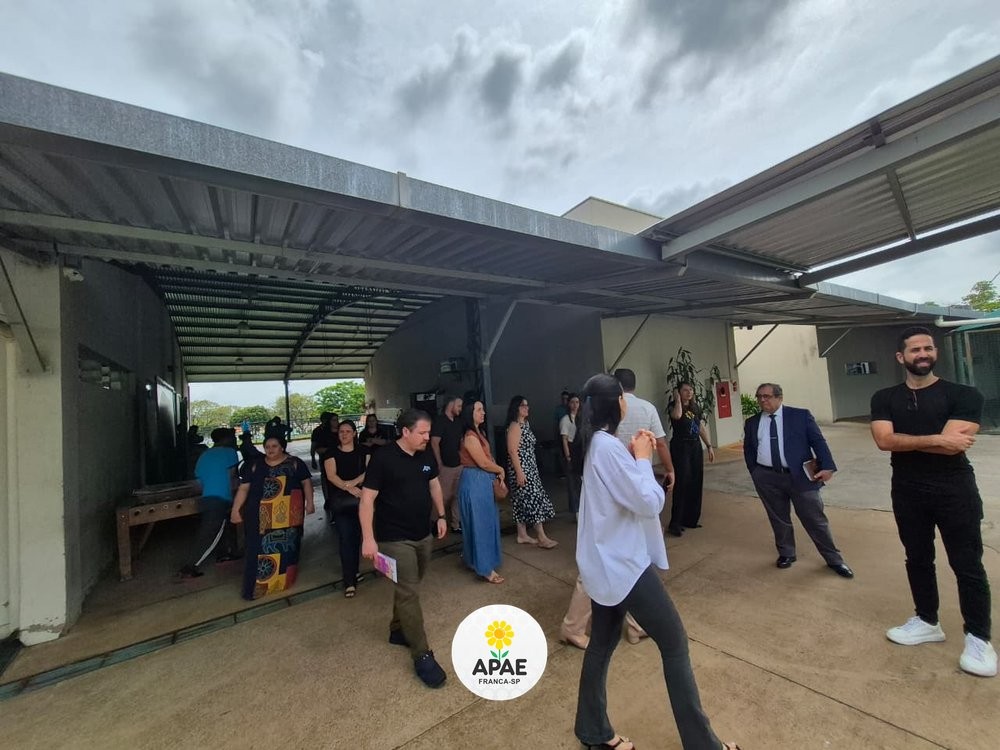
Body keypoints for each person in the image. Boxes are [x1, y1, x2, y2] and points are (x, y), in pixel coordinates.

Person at [573, 373, 738, 750]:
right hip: (625, 566)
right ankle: (703, 745)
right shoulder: (607, 448)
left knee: (601, 646)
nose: (626, 403)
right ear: (616, 404)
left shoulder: (596, 444)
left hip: (607, 565)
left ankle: (593, 732)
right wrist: (644, 460)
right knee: (675, 644)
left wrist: (635, 456)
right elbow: (648, 502)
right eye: (622, 397)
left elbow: (621, 493)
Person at [871, 326, 995, 677]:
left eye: (928, 348)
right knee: (918, 558)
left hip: (954, 488)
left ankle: (978, 638)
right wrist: (938, 439)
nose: (923, 354)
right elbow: (884, 441)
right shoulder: (885, 397)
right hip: (907, 489)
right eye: (915, 350)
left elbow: (953, 446)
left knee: (967, 564)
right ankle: (927, 621)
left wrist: (906, 440)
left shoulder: (964, 394)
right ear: (901, 357)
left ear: (935, 352)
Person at [360, 409, 449, 689]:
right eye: (422, 433)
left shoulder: (425, 455)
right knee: (409, 591)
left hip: (423, 534)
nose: (427, 437)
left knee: (409, 585)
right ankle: (422, 655)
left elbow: (434, 486)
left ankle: (398, 629)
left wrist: (441, 515)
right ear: (405, 432)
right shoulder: (383, 458)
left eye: (428, 432)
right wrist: (368, 538)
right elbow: (367, 500)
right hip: (393, 538)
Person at [742, 383, 854, 578]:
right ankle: (786, 553)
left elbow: (818, 441)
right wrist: (755, 471)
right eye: (759, 396)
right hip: (767, 477)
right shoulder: (752, 422)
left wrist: (827, 466)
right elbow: (749, 449)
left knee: (814, 518)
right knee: (778, 518)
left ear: (779, 397)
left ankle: (834, 559)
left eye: (767, 396)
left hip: (800, 476)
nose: (762, 400)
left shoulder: (800, 416)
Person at [230, 435, 314, 600]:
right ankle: (254, 589)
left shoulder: (295, 463)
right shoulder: (255, 465)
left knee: (287, 549)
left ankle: (281, 583)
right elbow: (244, 489)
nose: (270, 449)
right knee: (256, 549)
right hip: (258, 516)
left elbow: (306, 483)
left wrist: (310, 503)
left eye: (274, 446)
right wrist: (235, 510)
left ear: (282, 447)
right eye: (267, 446)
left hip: (288, 517)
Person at [178, 428, 240, 578]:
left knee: (224, 526)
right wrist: (237, 497)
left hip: (206, 497)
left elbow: (198, 482)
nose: (234, 440)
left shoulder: (204, 455)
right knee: (210, 533)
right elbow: (232, 477)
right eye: (232, 437)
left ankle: (224, 554)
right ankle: (190, 566)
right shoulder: (230, 452)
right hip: (220, 497)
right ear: (226, 439)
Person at [457, 400, 506, 584]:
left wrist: (495, 470)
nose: (483, 413)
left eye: (483, 410)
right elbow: (483, 463)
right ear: (470, 413)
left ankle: (475, 561)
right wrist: (500, 469)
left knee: (485, 522)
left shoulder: (479, 433)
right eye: (479, 410)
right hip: (475, 483)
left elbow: (487, 459)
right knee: (481, 525)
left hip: (483, 482)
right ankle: (485, 568)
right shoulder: (470, 437)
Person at [613, 368, 676, 502]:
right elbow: (661, 444)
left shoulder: (610, 407)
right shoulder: (648, 408)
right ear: (634, 385)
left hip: (616, 471)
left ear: (616, 384)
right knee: (645, 504)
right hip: (642, 470)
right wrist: (669, 469)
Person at [324, 420, 369, 598]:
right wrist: (348, 487)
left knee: (357, 537)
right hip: (341, 501)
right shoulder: (331, 453)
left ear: (354, 433)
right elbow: (331, 476)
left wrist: (355, 483)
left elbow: (369, 471)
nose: (344, 434)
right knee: (345, 538)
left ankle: (354, 570)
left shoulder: (363, 451)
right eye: (341, 431)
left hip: (360, 500)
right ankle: (349, 581)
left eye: (348, 431)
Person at [505, 395, 558, 548]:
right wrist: (519, 472)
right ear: (516, 408)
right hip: (522, 468)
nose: (526, 408)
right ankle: (541, 536)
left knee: (521, 501)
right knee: (532, 499)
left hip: (530, 468)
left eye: (527, 405)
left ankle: (522, 534)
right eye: (523, 405)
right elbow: (512, 451)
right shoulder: (515, 426)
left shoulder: (525, 424)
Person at [667, 383, 715, 534]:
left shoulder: (695, 408)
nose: (689, 393)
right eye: (685, 390)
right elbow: (677, 416)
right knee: (682, 481)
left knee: (695, 480)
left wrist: (709, 445)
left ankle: (691, 519)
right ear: (679, 392)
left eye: (691, 390)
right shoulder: (674, 406)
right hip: (681, 446)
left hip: (695, 446)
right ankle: (676, 522)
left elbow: (699, 427)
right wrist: (677, 400)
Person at [431, 396, 464, 534]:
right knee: (443, 496)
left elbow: (461, 441)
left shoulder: (458, 422)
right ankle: (435, 523)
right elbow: (434, 442)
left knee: (457, 495)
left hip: (459, 464)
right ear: (451, 405)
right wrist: (439, 463)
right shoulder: (440, 421)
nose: (460, 409)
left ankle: (456, 524)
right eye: (459, 406)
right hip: (445, 465)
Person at [559, 393, 583, 518]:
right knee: (572, 483)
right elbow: (564, 439)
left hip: (581, 452)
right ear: (568, 404)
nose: (575, 405)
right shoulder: (565, 419)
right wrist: (568, 456)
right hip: (571, 450)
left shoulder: (582, 418)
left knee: (581, 482)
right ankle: (576, 510)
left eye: (577, 402)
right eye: (572, 402)